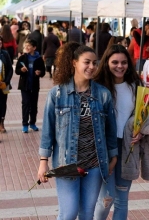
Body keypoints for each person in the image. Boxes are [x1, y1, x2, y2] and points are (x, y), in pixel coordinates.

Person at [38, 43, 118, 220]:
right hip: (67, 163)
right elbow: (47, 131)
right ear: (74, 62)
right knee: (68, 213)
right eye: (87, 62)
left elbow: (110, 130)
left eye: (95, 63)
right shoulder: (57, 94)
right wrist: (43, 161)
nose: (91, 67)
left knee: (87, 214)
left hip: (95, 163)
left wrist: (113, 157)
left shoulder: (103, 94)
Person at [93, 44, 142, 220]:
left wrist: (141, 131)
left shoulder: (135, 85)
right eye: (115, 62)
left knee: (122, 200)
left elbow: (144, 114)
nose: (120, 66)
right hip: (104, 149)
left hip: (128, 147)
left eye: (123, 62)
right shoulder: (97, 87)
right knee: (107, 199)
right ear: (106, 62)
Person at [15, 39, 46, 133]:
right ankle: (25, 124)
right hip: (25, 85)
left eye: (29, 46)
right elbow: (17, 71)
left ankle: (32, 123)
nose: (27, 48)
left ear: (34, 48)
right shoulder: (22, 58)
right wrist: (21, 70)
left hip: (35, 85)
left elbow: (43, 72)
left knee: (33, 105)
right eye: (26, 46)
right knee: (25, 104)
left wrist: (39, 73)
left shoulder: (39, 59)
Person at [0, 36, 13, 133]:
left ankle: (1, 123)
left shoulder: (5, 54)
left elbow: (10, 69)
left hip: (4, 84)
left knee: (3, 104)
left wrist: (6, 81)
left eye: (0, 42)